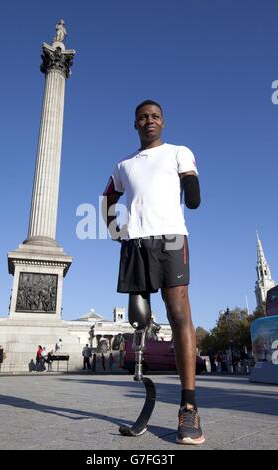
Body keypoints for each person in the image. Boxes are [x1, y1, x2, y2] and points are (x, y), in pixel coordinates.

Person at [102, 100, 204, 445]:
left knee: (178, 314)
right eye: (143, 117)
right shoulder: (123, 164)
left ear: (163, 122)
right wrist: (114, 229)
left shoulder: (179, 152)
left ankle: (188, 406)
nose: (150, 121)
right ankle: (143, 376)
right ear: (135, 124)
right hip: (136, 244)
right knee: (139, 318)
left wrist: (191, 189)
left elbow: (191, 182)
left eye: (155, 117)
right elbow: (108, 197)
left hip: (172, 240)